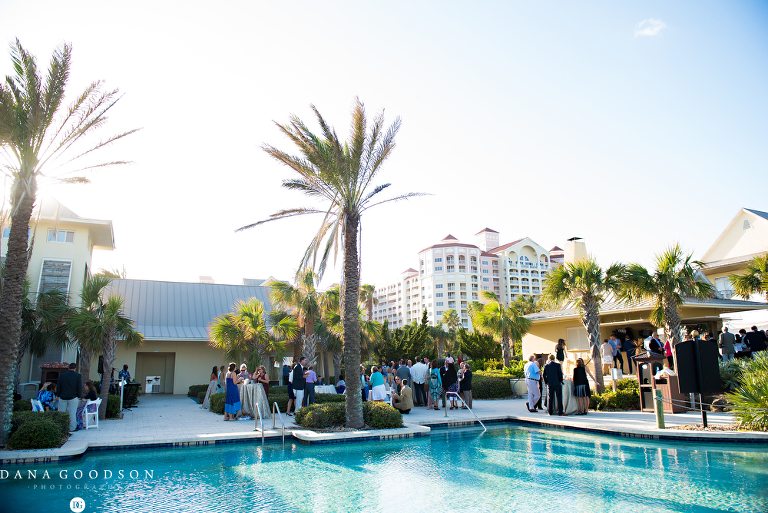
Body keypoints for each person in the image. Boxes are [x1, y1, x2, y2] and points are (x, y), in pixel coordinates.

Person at [57, 362, 83, 432]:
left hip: (63, 396)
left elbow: (58, 386)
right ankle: (72, 427)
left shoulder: (62, 375)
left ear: (68, 368)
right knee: (72, 413)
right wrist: (79, 395)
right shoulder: (78, 376)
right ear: (75, 368)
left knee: (61, 412)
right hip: (73, 396)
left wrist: (58, 394)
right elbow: (79, 387)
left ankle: (61, 427)